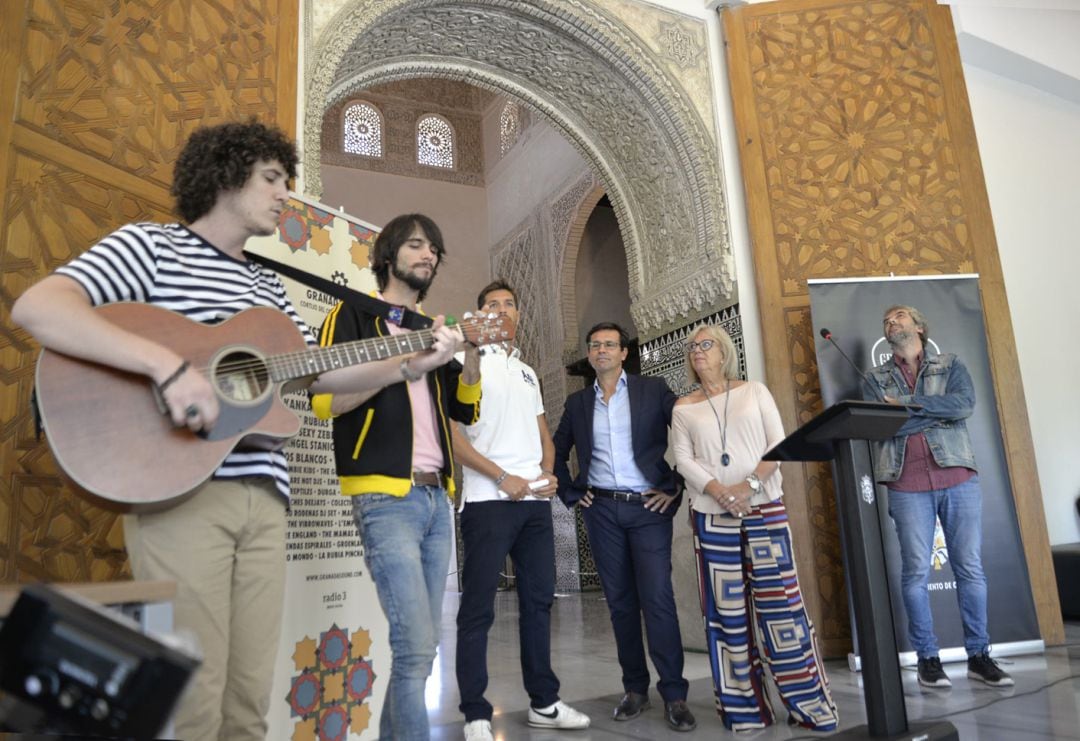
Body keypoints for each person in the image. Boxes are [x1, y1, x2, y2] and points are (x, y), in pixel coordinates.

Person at [9, 121, 462, 741]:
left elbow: (322, 380)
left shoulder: (266, 285)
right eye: (273, 179)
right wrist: (166, 367)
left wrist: (411, 361)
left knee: (248, 704)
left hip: (267, 499)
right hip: (182, 491)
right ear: (225, 177)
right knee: (192, 701)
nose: (285, 195)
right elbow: (39, 307)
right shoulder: (151, 247)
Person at [310, 213, 481, 741]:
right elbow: (325, 400)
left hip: (435, 500)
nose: (427, 255)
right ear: (387, 256)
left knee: (421, 650)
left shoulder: (435, 331)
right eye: (415, 245)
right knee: (416, 647)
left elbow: (466, 410)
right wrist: (407, 365)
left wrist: (469, 357)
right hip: (385, 498)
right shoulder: (352, 316)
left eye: (433, 249)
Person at [670, 324, 839, 732]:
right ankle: (745, 711)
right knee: (726, 616)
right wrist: (719, 491)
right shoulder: (683, 407)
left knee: (783, 608)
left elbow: (776, 446)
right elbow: (682, 458)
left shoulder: (754, 391)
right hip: (712, 515)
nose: (698, 351)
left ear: (724, 351)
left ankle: (810, 707)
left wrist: (746, 488)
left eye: (705, 344)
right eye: (692, 347)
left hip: (763, 508)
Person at [451, 280, 590, 740]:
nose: (502, 310)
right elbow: (455, 438)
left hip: (534, 505)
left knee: (538, 602)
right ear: (478, 315)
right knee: (478, 610)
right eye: (492, 304)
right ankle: (474, 713)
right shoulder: (462, 362)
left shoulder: (527, 371)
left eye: (510, 304)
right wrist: (500, 477)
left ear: (518, 315)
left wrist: (548, 474)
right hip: (489, 502)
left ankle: (544, 703)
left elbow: (543, 435)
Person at [552, 322, 696, 732]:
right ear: (590, 354)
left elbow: (689, 433)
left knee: (658, 600)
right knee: (619, 603)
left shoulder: (653, 390)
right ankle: (635, 689)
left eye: (609, 345)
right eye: (595, 345)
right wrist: (571, 493)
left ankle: (675, 694)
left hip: (648, 509)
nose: (601, 351)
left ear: (623, 353)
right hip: (603, 512)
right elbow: (556, 452)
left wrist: (677, 485)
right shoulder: (578, 404)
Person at [863, 305, 1013, 688]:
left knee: (970, 569)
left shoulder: (950, 364)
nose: (891, 322)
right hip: (905, 482)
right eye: (887, 320)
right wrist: (931, 412)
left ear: (919, 325)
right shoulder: (875, 378)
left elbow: (963, 405)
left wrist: (909, 408)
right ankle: (928, 660)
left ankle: (979, 656)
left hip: (958, 476)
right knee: (915, 572)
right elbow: (882, 426)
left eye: (898, 316)